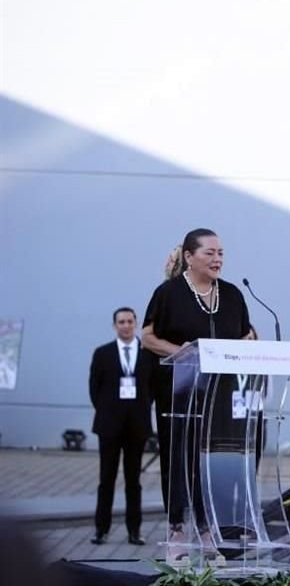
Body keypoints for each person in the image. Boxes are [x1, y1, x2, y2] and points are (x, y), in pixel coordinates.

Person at [142, 228, 254, 563]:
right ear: (189, 257)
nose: (218, 258)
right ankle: (177, 528)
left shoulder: (233, 294)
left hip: (221, 394)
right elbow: (148, 336)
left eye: (221, 253)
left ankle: (207, 531)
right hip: (180, 392)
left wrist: (249, 345)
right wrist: (182, 353)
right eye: (210, 253)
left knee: (210, 461)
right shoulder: (169, 293)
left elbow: (246, 333)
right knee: (179, 460)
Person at [88, 307, 152, 546]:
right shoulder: (102, 353)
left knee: (133, 480)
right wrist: (108, 411)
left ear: (135, 324)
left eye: (129, 321)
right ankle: (101, 529)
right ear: (115, 325)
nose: (125, 325)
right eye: (121, 322)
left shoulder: (147, 354)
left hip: (136, 426)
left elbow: (152, 388)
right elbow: (94, 388)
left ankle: (134, 531)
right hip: (109, 426)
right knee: (107, 479)